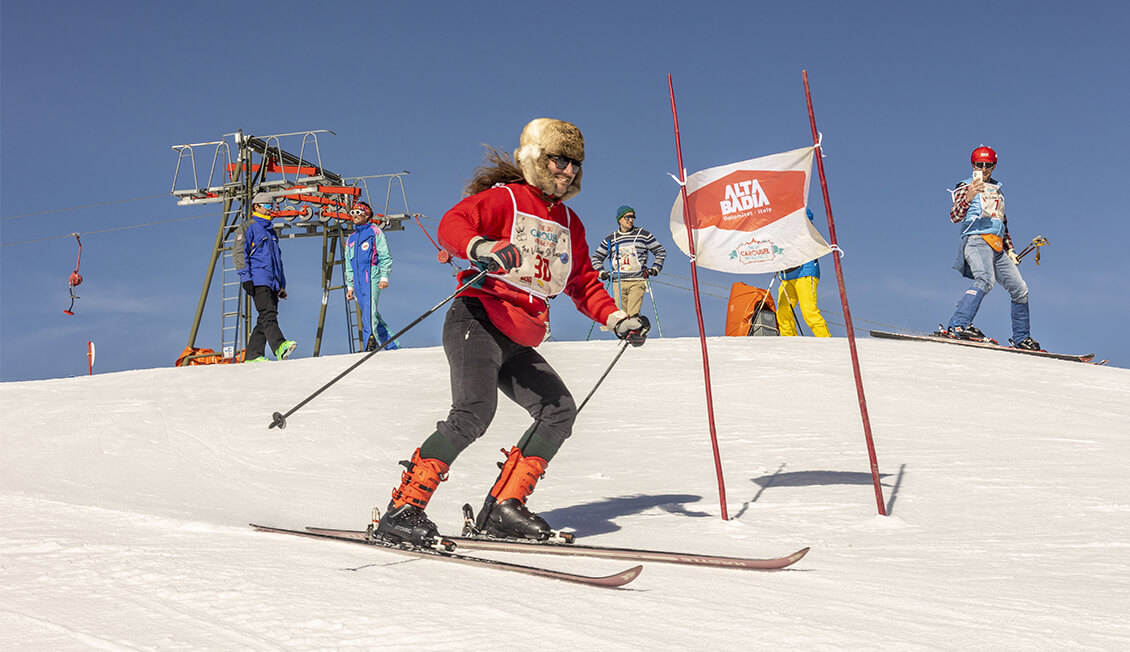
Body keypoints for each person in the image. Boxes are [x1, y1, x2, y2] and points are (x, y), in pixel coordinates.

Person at [373, 118, 650, 548]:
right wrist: (481, 247)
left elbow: (582, 283)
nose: (568, 171)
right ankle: (403, 510)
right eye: (559, 160)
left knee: (559, 409)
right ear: (538, 159)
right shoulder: (507, 199)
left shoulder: (569, 224)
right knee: (473, 413)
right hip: (477, 319)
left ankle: (503, 508)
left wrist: (617, 319)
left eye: (575, 164)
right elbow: (453, 224)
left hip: (520, 336)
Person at [943, 146, 1040, 350]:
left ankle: (1022, 338)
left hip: (997, 246)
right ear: (973, 165)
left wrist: (1010, 250)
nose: (984, 169)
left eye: (988, 165)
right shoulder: (966, 186)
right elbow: (954, 216)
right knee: (985, 280)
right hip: (976, 240)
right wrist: (969, 197)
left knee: (1020, 289)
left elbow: (1001, 223)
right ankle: (958, 324)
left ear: (994, 166)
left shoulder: (997, 190)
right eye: (979, 165)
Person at [234, 192, 297, 362]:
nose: (270, 209)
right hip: (258, 278)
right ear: (257, 207)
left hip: (272, 282)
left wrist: (281, 284)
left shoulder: (271, 232)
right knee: (268, 313)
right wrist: (246, 277)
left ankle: (253, 355)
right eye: (267, 206)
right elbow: (239, 253)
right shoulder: (248, 227)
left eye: (272, 206)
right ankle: (280, 346)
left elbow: (277, 260)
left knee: (264, 318)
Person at [590, 205, 666, 316]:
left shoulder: (642, 234)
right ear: (619, 219)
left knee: (633, 315)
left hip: (637, 281)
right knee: (621, 317)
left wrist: (655, 268)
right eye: (627, 217)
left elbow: (660, 251)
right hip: (618, 282)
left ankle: (635, 326)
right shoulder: (611, 239)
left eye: (633, 217)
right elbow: (596, 257)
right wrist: (601, 273)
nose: (631, 220)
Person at [344, 201, 399, 352]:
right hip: (357, 280)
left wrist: (384, 277)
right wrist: (350, 286)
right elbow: (348, 264)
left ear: (366, 215)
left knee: (369, 312)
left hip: (371, 276)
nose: (354, 216)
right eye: (353, 213)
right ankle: (392, 345)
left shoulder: (375, 232)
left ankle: (370, 342)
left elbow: (385, 255)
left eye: (358, 212)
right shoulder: (351, 239)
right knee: (370, 313)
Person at [776, 208, 830, 337]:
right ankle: (789, 341)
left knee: (808, 311)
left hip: (805, 272)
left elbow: (807, 216)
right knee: (783, 312)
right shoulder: (780, 231)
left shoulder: (804, 226)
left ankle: (826, 341)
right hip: (787, 275)